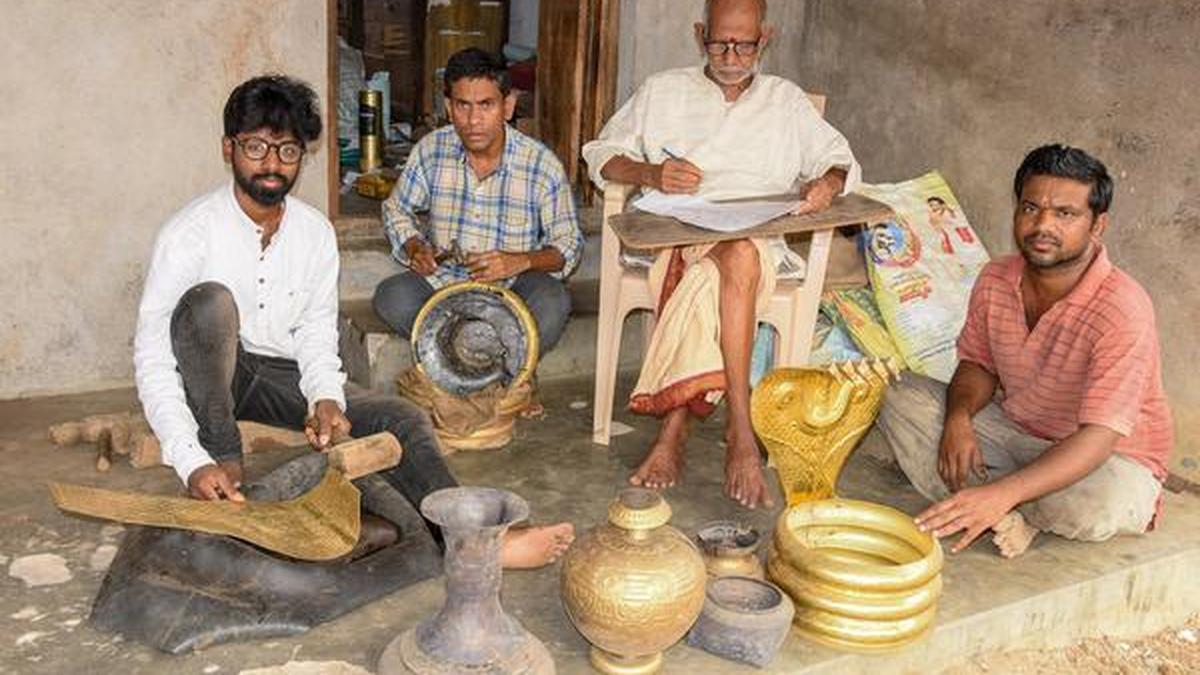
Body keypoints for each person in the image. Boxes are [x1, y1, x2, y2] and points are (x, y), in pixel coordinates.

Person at [133, 74, 572, 568]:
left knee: (401, 417)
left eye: (288, 150)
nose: (272, 164)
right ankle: (223, 456)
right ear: (227, 148)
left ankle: (471, 540)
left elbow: (317, 330)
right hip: (205, 378)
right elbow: (154, 356)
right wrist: (193, 460)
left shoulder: (314, 233)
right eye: (256, 147)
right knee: (210, 304)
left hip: (270, 375)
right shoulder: (189, 234)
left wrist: (324, 397)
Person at [580, 0, 861, 509]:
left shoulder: (786, 101)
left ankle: (677, 433)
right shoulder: (662, 90)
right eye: (719, 43)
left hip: (759, 239)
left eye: (744, 44)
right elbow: (599, 152)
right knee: (723, 265)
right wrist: (650, 174)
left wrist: (827, 183)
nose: (731, 55)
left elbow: (838, 159)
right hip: (676, 235)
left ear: (766, 39)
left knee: (737, 257)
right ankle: (740, 429)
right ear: (699, 34)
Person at [876, 144, 1173, 558]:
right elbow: (978, 363)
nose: (1042, 225)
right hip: (1018, 432)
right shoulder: (996, 277)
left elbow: (1100, 436)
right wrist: (958, 418)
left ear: (1097, 226)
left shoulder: (1122, 308)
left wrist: (1003, 489)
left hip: (1105, 458)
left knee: (1098, 502)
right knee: (895, 393)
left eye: (1065, 214)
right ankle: (1007, 504)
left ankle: (1000, 501)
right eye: (1031, 208)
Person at [373, 48, 583, 358]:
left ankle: (457, 359)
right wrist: (415, 246)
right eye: (463, 106)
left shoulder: (541, 164)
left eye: (486, 105)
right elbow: (396, 209)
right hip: (444, 286)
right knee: (391, 296)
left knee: (553, 301)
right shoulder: (431, 150)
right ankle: (486, 361)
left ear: (508, 106)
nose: (473, 120)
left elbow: (569, 246)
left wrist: (519, 261)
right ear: (448, 107)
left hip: (513, 290)